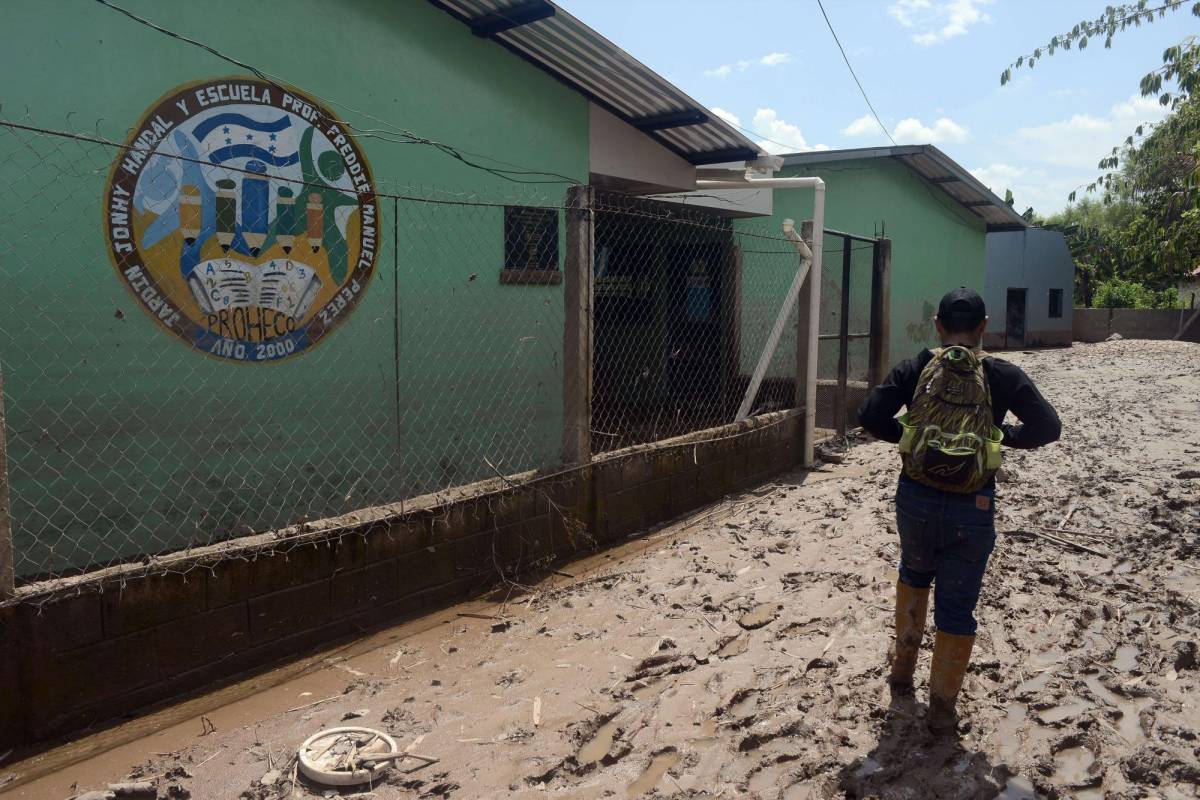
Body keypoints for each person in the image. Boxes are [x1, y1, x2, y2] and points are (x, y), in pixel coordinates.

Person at [857, 287, 1061, 733]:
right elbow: (1048, 427)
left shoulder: (916, 367)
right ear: (984, 326)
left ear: (938, 326)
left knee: (912, 575)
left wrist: (910, 436)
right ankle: (942, 710)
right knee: (958, 607)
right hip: (974, 505)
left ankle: (901, 675)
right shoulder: (1002, 374)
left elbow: (869, 414)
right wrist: (999, 436)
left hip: (916, 498)